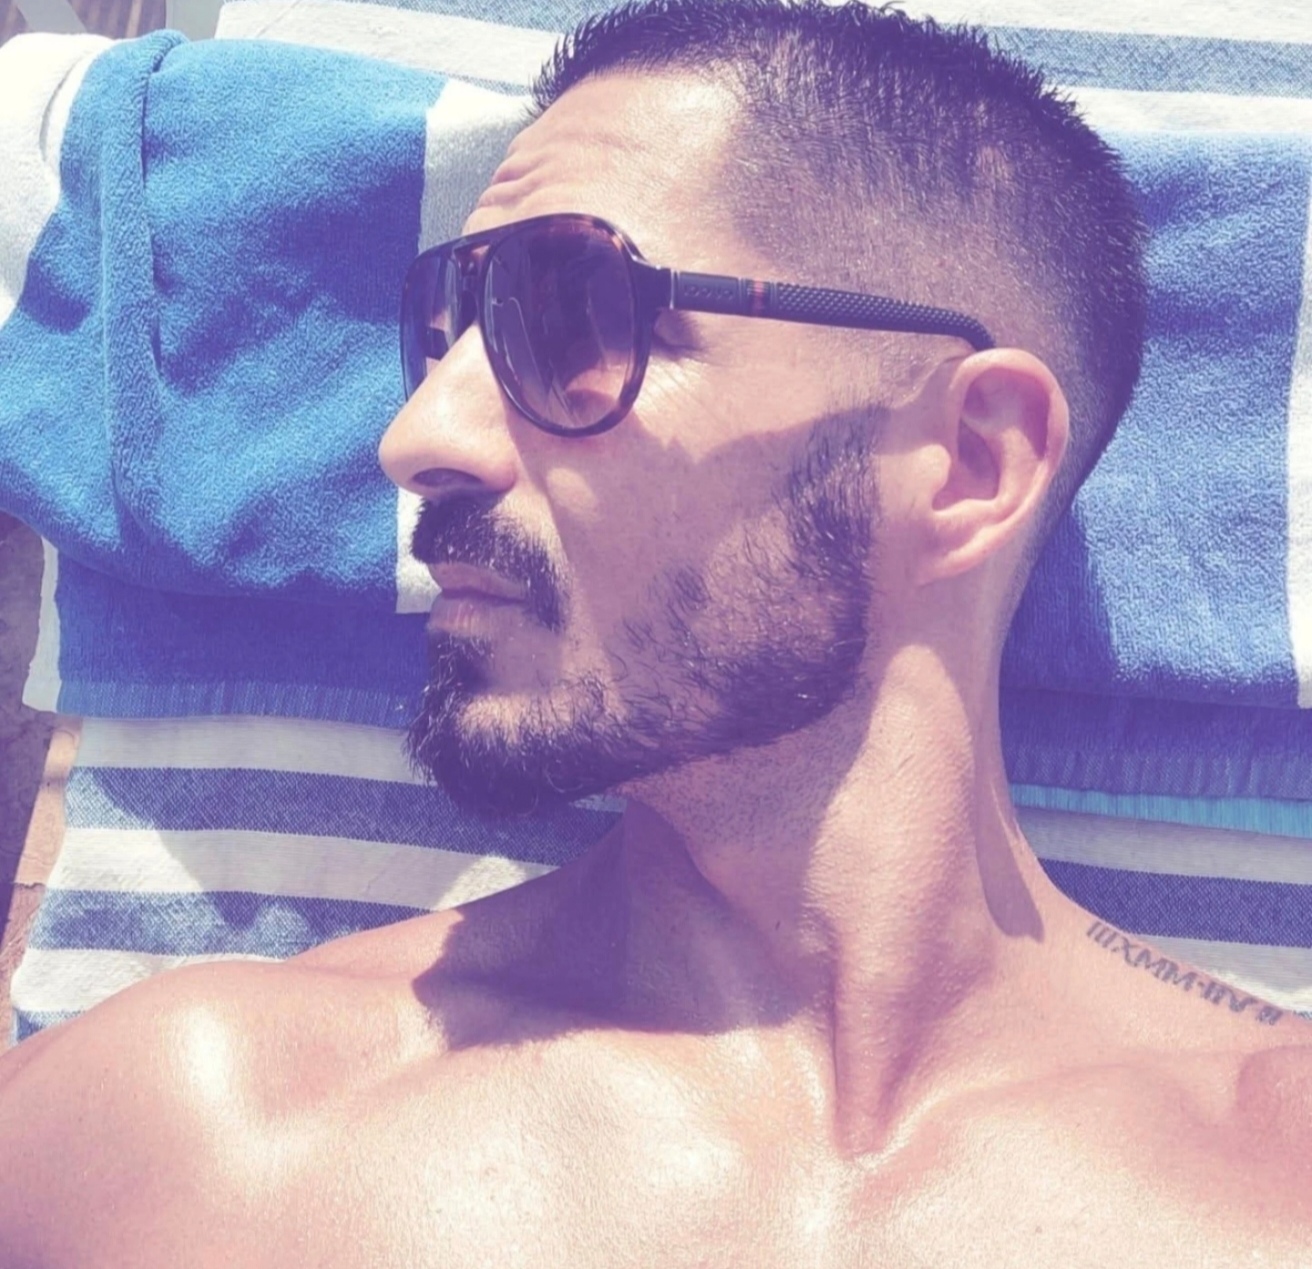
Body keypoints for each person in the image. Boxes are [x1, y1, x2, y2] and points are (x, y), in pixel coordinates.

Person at [2, 1, 1309, 1263]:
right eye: (445, 339)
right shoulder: (185, 1132)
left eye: (575, 315)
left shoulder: (1275, 1174)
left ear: (970, 461)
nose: (414, 439)